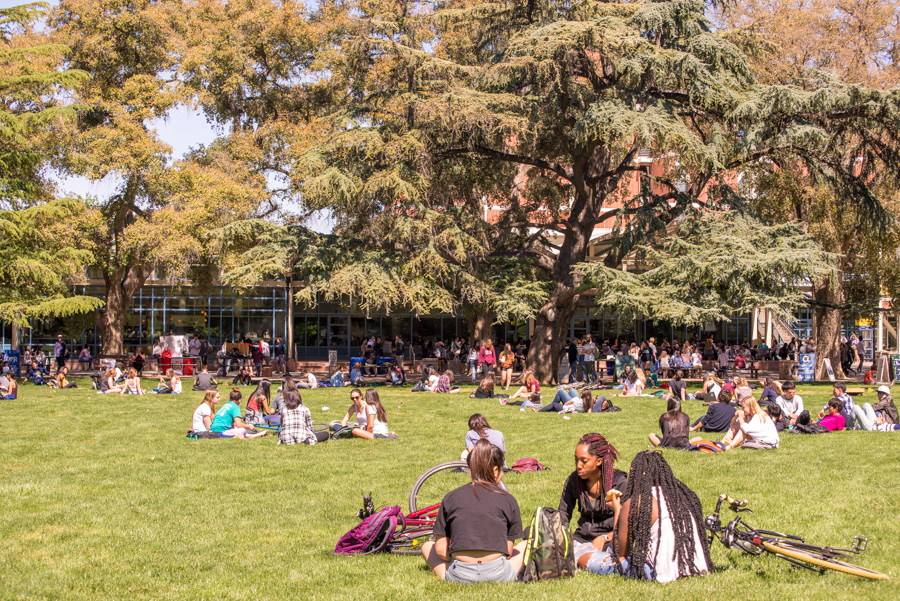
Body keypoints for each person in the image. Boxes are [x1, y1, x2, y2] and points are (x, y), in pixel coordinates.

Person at [584, 451, 712, 583]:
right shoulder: (681, 496)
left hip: (657, 570)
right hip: (692, 565)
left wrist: (618, 509)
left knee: (585, 557)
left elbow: (620, 554)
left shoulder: (637, 502)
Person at [421, 439, 526, 583]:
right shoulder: (508, 499)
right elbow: (507, 552)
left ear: (470, 469)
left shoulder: (451, 497)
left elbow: (440, 550)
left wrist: (459, 556)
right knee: (526, 545)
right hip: (498, 574)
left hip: (460, 574)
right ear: (496, 470)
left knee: (427, 546)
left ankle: (447, 575)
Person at [559, 433, 627, 568]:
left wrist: (605, 537)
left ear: (599, 461)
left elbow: (627, 524)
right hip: (582, 538)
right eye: (576, 460)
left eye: (584, 461)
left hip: (610, 539)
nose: (578, 465)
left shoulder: (618, 483)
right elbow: (563, 514)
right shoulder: (574, 480)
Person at [692, 396, 779, 450]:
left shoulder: (758, 416)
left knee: (743, 429)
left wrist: (741, 418)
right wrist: (736, 417)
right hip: (757, 440)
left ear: (750, 407)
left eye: (744, 407)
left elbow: (746, 430)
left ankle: (730, 446)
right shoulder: (748, 416)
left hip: (768, 443)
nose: (742, 409)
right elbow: (732, 426)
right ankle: (722, 443)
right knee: (739, 426)